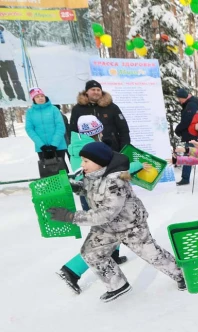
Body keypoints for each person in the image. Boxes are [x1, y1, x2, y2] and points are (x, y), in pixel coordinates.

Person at [47, 142, 186, 302]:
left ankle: (182, 275)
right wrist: (74, 187)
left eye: (86, 161)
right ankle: (117, 284)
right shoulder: (93, 176)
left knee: (151, 253)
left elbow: (106, 213)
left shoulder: (115, 181)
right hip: (107, 228)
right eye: (82, 160)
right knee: (91, 253)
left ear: (100, 161)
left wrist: (71, 217)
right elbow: (88, 189)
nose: (81, 164)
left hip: (131, 226)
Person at [55, 117, 150, 294]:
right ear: (97, 132)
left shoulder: (77, 147)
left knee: (107, 231)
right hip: (99, 195)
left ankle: (108, 259)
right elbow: (114, 173)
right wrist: (136, 165)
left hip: (91, 193)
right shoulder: (93, 150)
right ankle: (72, 270)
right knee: (108, 231)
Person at [69, 80, 131, 152]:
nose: (96, 92)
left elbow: (123, 129)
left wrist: (124, 148)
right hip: (88, 149)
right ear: (86, 92)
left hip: (112, 148)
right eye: (93, 90)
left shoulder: (112, 107)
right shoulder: (77, 109)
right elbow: (73, 131)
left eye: (98, 90)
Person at [25, 87, 68, 175]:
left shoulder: (54, 109)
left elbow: (60, 127)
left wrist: (54, 145)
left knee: (61, 170)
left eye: (42, 96)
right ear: (33, 99)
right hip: (41, 148)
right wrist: (41, 145)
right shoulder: (30, 112)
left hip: (58, 146)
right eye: (37, 97)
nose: (40, 98)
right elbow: (29, 129)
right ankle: (50, 188)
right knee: (47, 172)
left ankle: (66, 187)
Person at [174, 88, 198, 186]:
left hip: (192, 135)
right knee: (193, 155)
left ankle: (185, 178)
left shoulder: (191, 104)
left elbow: (187, 121)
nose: (179, 101)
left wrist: (178, 129)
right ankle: (187, 178)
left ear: (184, 97)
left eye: (179, 98)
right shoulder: (190, 103)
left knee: (189, 155)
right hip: (191, 134)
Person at [0, 25, 26, 102]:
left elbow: (17, 43)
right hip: (0, 62)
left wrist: (21, 35)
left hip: (10, 60)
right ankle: (11, 96)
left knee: (15, 80)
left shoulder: (7, 34)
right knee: (5, 81)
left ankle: (21, 97)